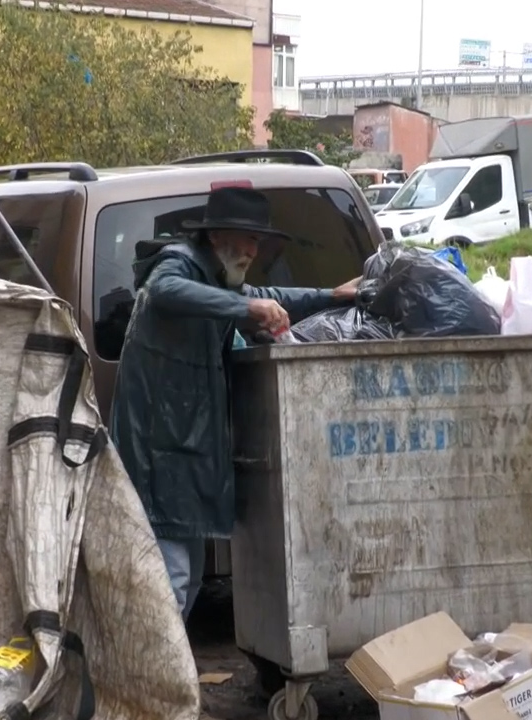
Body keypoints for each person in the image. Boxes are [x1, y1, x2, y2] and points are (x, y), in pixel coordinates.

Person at [110, 187, 359, 622]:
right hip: (156, 451)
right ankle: (156, 683)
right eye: (246, 238)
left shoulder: (217, 275)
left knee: (187, 577)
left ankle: (165, 680)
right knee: (170, 578)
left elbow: (266, 293)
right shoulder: (176, 264)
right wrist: (247, 305)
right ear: (216, 236)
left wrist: (328, 296)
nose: (252, 249)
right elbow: (164, 290)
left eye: (257, 241)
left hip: (183, 452)